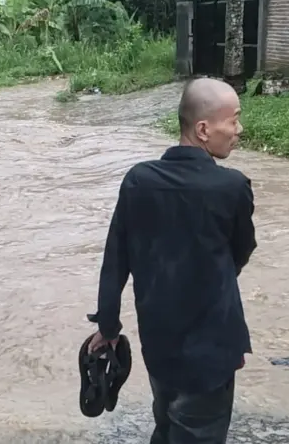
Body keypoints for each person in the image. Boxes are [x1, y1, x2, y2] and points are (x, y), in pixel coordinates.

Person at [88, 77, 257, 443]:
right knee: (196, 431)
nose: (238, 130)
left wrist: (109, 325)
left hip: (159, 343)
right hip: (212, 350)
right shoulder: (232, 188)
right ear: (203, 129)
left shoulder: (139, 180)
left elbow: (116, 257)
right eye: (233, 120)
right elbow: (240, 254)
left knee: (167, 423)